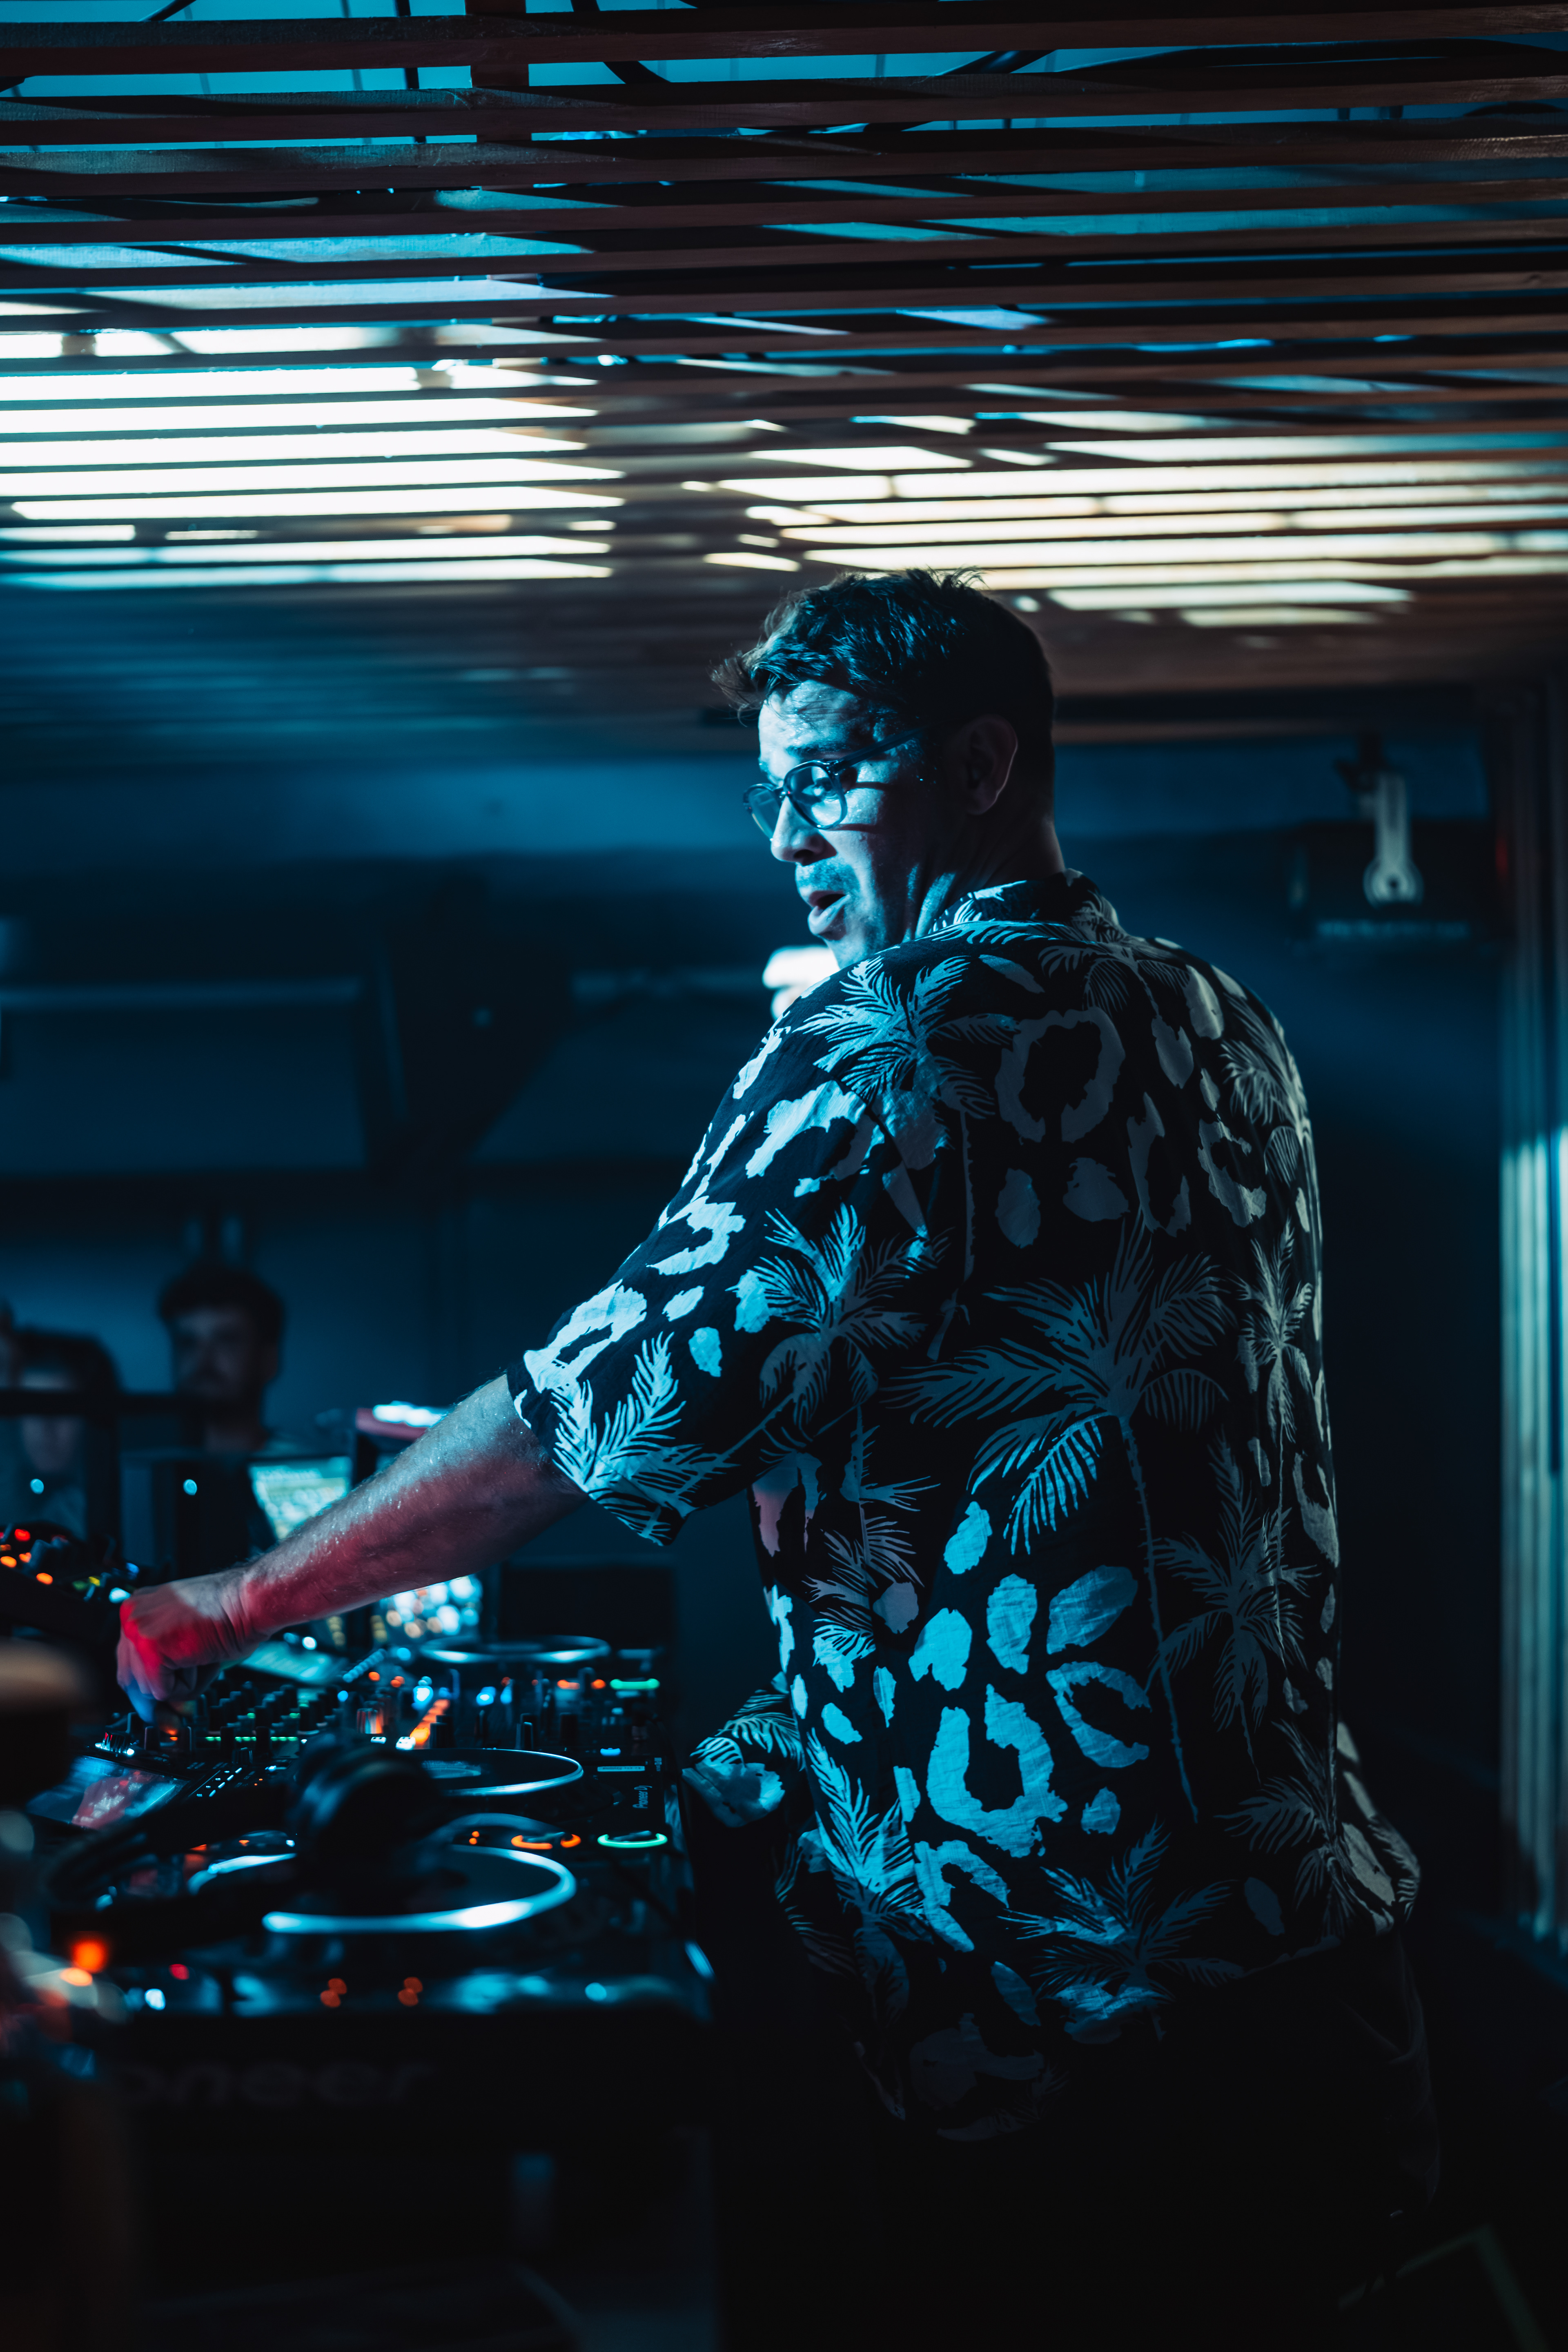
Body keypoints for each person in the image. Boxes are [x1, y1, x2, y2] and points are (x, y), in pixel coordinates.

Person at [117, 572, 1435, 2347]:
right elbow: (1036, 1460)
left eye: (824, 782)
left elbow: (594, 1419)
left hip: (1062, 2005)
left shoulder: (898, 1036)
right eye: (766, 794)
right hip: (1310, 1951)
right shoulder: (1222, 1020)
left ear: (982, 765)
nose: (785, 838)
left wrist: (232, 1602)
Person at [156, 1261, 290, 1458]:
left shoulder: (308, 1470)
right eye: (187, 1343)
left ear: (268, 1360)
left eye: (227, 1341)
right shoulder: (143, 1469)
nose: (202, 1359)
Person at [3, 1328, 119, 1541]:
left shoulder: (112, 1509)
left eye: (60, 1411)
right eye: (30, 1408)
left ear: (93, 1419)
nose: (44, 1428)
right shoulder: (14, 1497)